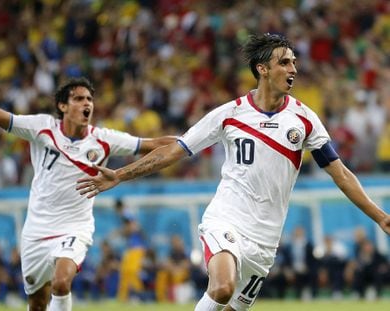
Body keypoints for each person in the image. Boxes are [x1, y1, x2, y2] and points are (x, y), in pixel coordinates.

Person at [76, 34, 390, 311]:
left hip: (266, 239)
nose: (293, 69)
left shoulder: (304, 120)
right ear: (262, 69)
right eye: (284, 63)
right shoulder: (229, 114)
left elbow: (341, 174)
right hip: (227, 218)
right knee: (222, 288)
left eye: (294, 62)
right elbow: (174, 150)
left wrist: (379, 216)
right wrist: (120, 175)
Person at [0, 76, 176, 311]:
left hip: (74, 227)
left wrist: (194, 140)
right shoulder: (41, 127)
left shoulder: (103, 140)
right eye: (79, 99)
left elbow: (152, 143)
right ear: (63, 106)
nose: (87, 104)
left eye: (89, 99)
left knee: (61, 282)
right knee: (37, 304)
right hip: (36, 231)